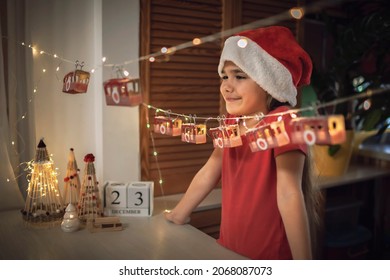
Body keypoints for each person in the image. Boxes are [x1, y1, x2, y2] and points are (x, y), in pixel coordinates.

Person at [164, 26, 321, 260]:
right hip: (230, 248)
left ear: (270, 83)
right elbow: (210, 170)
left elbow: (289, 193)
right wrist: (179, 213)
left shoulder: (284, 122)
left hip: (269, 256)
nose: (227, 86)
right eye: (224, 76)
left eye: (239, 76)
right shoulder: (230, 122)